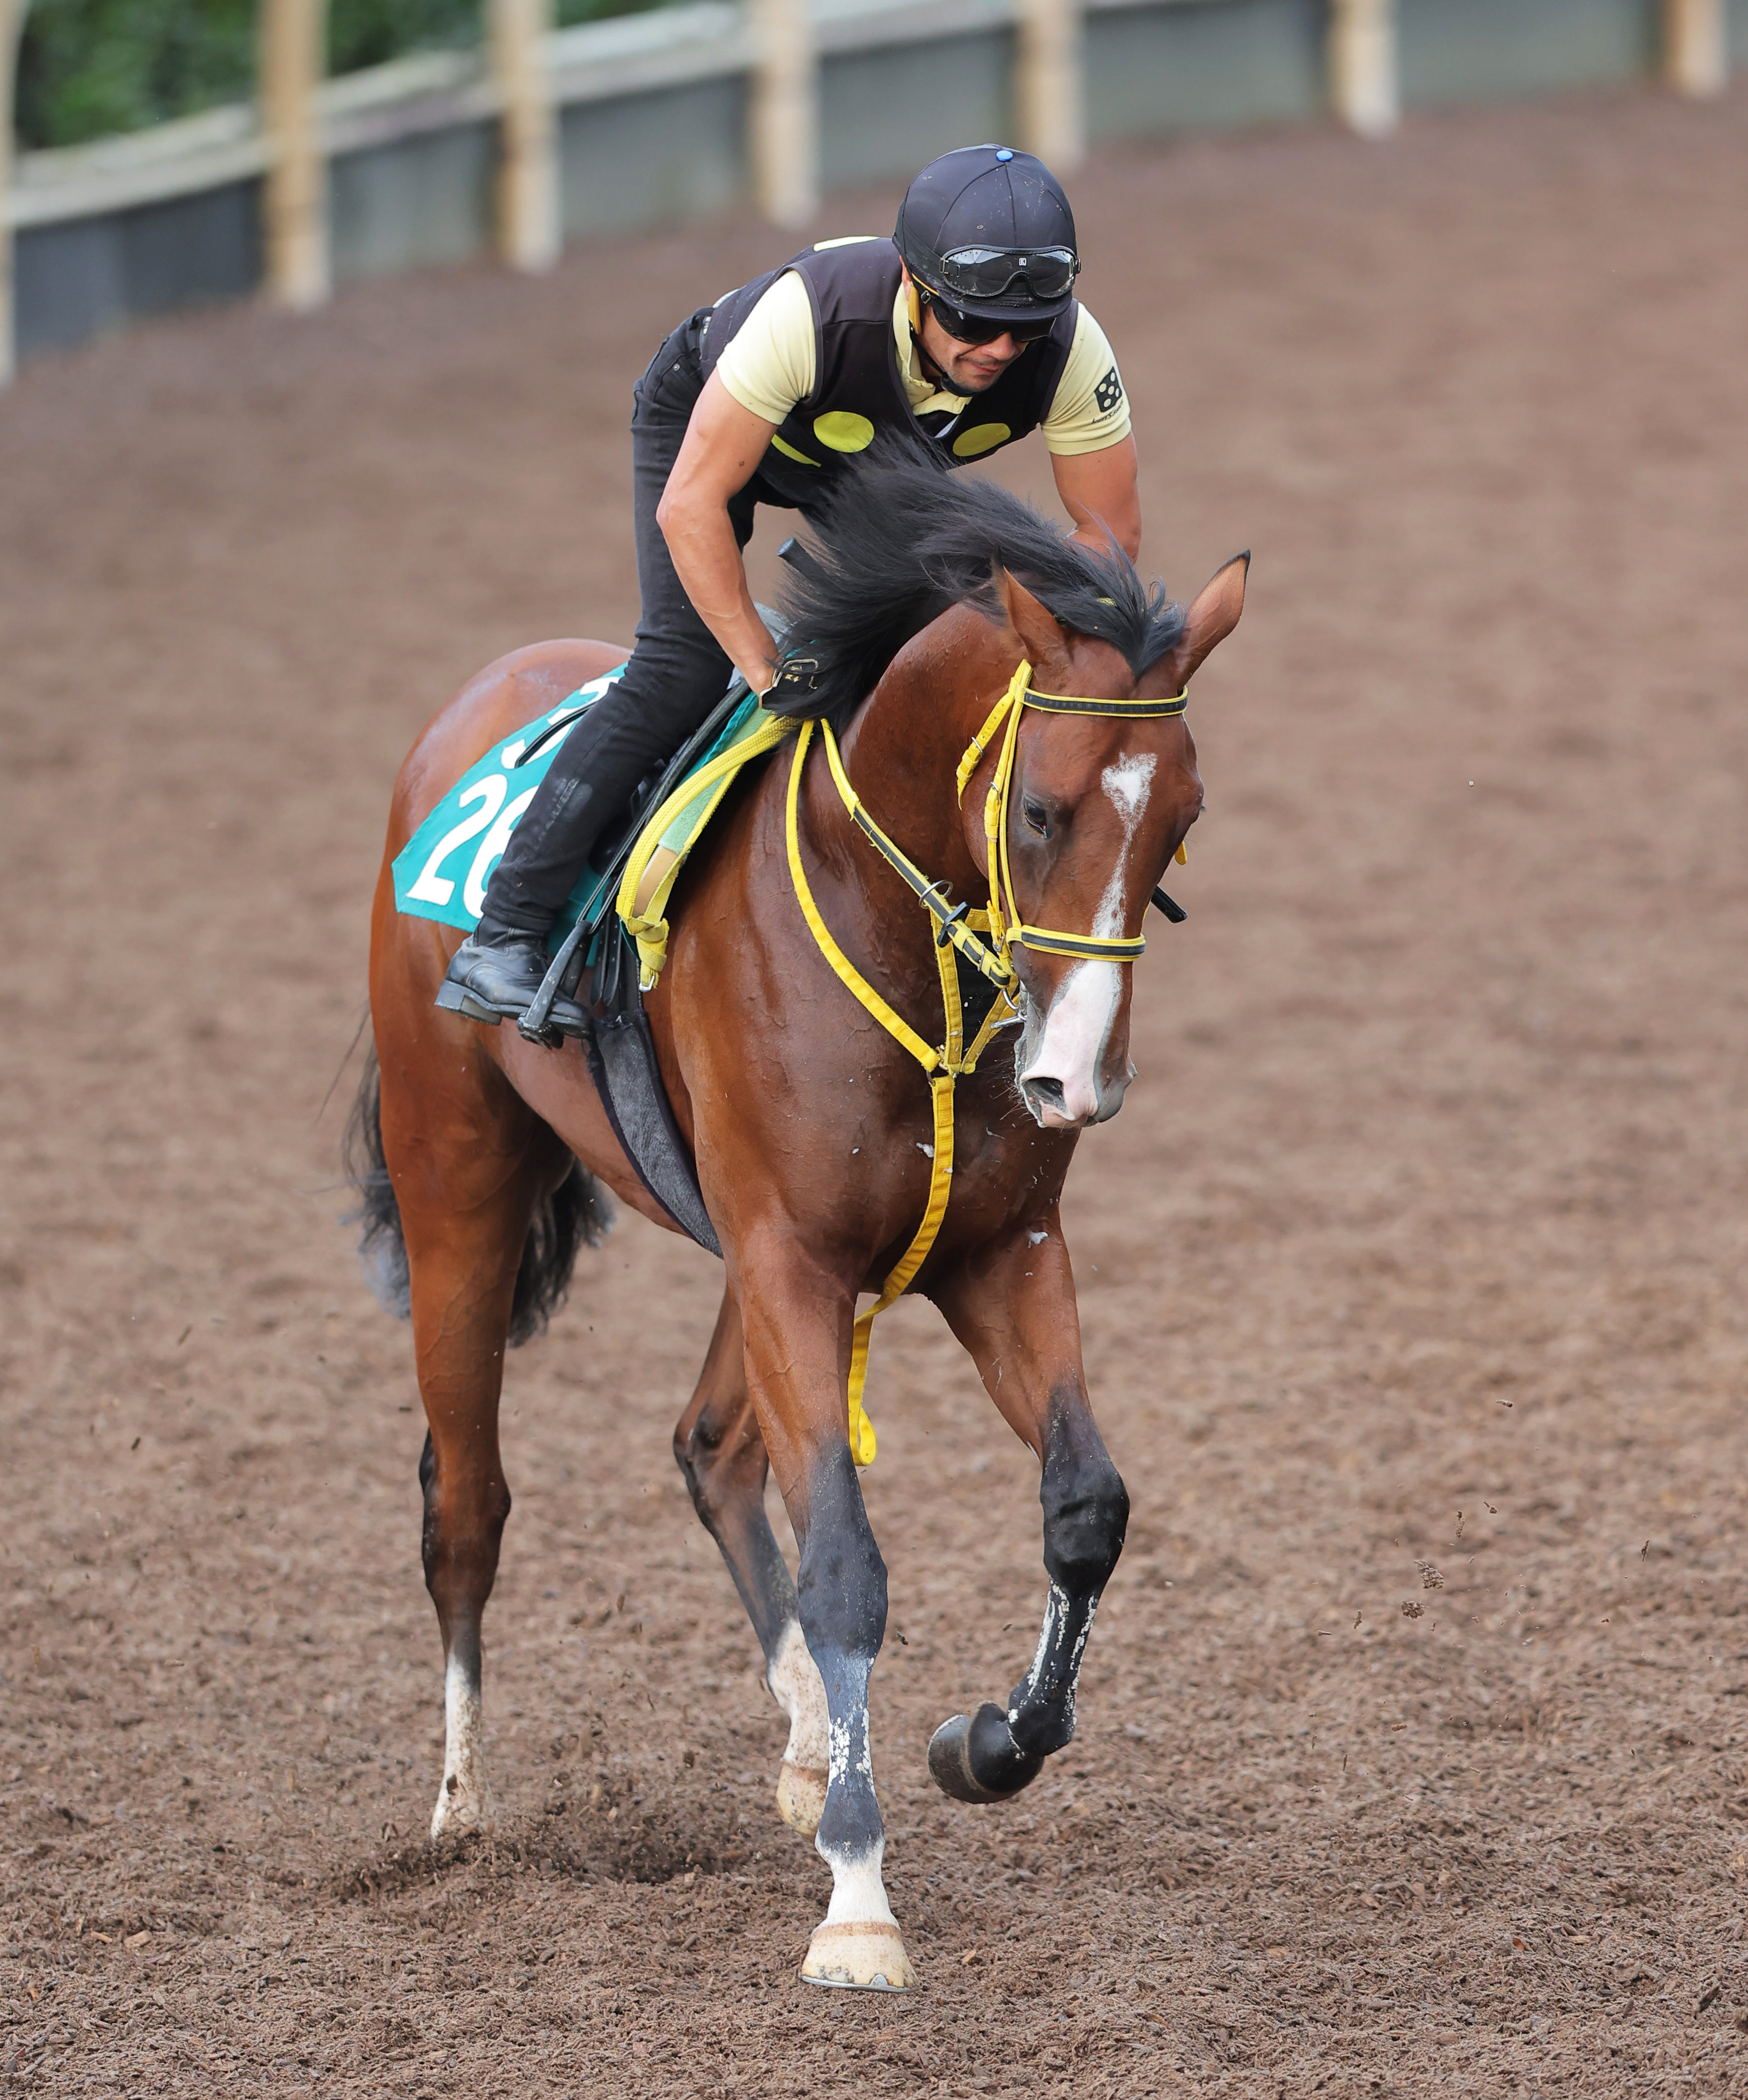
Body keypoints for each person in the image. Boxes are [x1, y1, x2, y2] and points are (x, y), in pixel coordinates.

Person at [441, 142, 1142, 1038]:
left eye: (1027, 328)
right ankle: (504, 933)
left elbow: (1108, 541)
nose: (1002, 349)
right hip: (713, 434)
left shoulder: (1073, 350)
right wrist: (762, 664)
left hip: (877, 464)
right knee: (680, 669)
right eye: (974, 323)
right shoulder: (805, 320)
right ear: (916, 288)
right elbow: (690, 507)